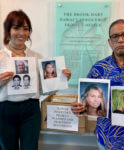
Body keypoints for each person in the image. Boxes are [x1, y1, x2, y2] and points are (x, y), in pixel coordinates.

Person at [71, 19, 124, 149]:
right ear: (109, 41)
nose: (120, 40)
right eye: (115, 36)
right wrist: (77, 107)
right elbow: (82, 98)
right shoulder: (98, 68)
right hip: (106, 140)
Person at [0, 10, 71, 150]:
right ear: (8, 30)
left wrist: (61, 79)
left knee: (30, 147)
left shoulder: (37, 56)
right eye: (16, 28)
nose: (21, 33)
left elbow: (43, 89)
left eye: (25, 29)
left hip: (31, 110)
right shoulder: (0, 57)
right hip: (4, 111)